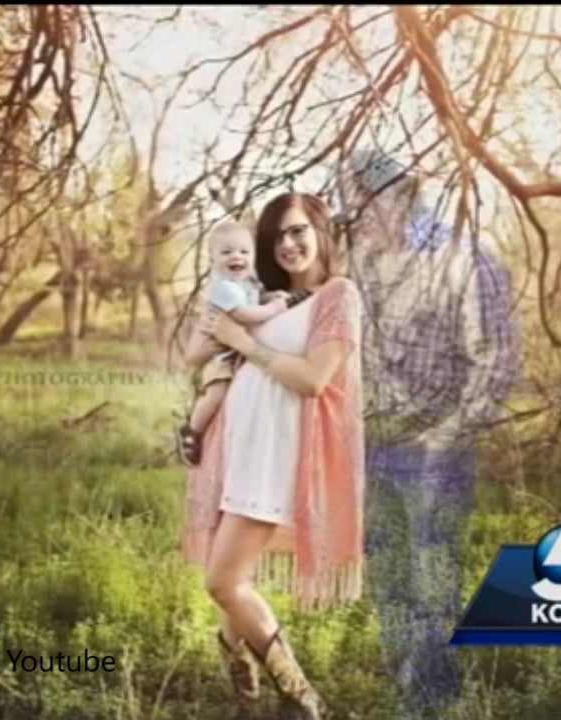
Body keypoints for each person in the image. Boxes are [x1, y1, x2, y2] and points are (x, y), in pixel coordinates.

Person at [334, 149, 521, 720]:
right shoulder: (358, 262)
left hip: (433, 449)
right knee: (387, 577)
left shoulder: (462, 259)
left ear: (398, 194)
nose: (354, 214)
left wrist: (448, 436)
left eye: (362, 201)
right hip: (369, 445)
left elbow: (496, 358)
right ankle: (406, 692)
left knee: (433, 578)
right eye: (348, 202)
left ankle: (431, 703)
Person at [181, 192, 365, 720]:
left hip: (276, 457)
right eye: (277, 235)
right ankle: (246, 701)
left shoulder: (337, 295)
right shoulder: (263, 296)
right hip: (237, 451)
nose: (287, 243)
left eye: (298, 230)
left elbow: (312, 380)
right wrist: (216, 323)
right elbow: (195, 356)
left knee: (223, 582)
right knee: (232, 579)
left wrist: (243, 341)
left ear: (321, 232)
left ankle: (303, 699)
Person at [176, 221, 314, 467]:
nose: (236, 257)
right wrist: (277, 306)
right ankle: (192, 431)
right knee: (216, 393)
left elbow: (254, 300)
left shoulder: (245, 283)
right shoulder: (222, 287)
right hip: (219, 358)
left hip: (236, 357)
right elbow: (244, 314)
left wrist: (270, 297)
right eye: (226, 252)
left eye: (244, 252)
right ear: (212, 259)